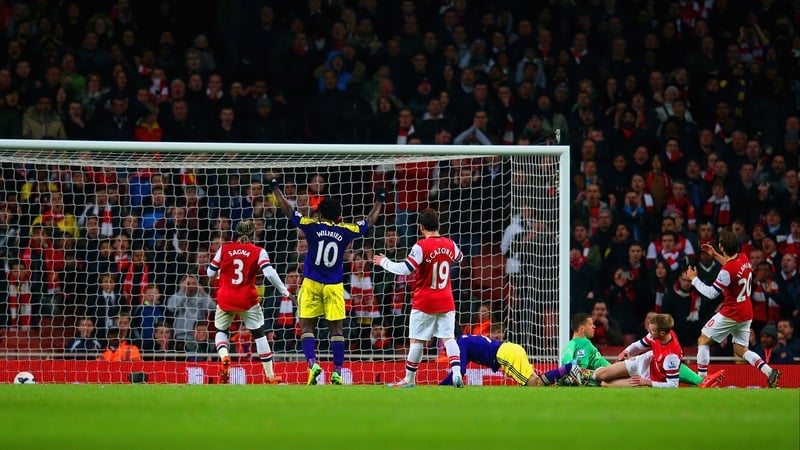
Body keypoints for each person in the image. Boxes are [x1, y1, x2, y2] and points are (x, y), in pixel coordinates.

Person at [270, 178, 384, 385]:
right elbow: (369, 221)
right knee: (337, 330)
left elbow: (289, 211)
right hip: (334, 285)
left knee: (306, 327)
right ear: (339, 215)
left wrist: (276, 190)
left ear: (320, 214)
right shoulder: (346, 229)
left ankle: (312, 364)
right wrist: (379, 200)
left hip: (312, 282)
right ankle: (337, 372)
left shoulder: (311, 225)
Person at [373, 208, 465, 388]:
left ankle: (409, 379)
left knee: (417, 341)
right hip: (446, 300)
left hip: (425, 301)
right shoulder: (450, 244)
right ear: (438, 225)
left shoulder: (421, 246)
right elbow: (460, 257)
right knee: (448, 338)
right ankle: (456, 373)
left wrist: (383, 262)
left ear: (421, 227)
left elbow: (405, 269)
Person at [685, 229, 782, 388]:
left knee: (703, 340)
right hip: (746, 311)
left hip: (731, 312)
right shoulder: (743, 258)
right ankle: (769, 371)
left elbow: (711, 294)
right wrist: (715, 255)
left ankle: (702, 380)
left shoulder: (726, 271)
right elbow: (732, 266)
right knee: (740, 349)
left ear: (722, 246)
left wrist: (694, 280)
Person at [207, 219, 292, 384]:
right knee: (260, 335)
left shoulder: (224, 249)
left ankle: (225, 357)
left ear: (236, 233)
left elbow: (210, 273)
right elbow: (269, 273)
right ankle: (271, 377)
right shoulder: (258, 251)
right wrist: (284, 291)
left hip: (226, 298)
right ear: (253, 234)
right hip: (247, 299)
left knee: (221, 331)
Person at [564, 313, 717, 387]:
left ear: (662, 334)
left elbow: (672, 385)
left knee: (605, 384)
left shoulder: (671, 356)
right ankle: (573, 377)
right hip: (644, 361)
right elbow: (640, 344)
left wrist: (648, 382)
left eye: (653, 332)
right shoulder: (656, 335)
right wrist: (627, 351)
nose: (650, 334)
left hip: (650, 377)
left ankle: (571, 378)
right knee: (602, 374)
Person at [440, 325, 582, 387]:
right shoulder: (465, 339)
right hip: (511, 348)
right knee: (536, 381)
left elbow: (460, 370)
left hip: (504, 355)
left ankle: (570, 367)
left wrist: (441, 386)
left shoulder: (459, 343)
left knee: (534, 384)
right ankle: (568, 371)